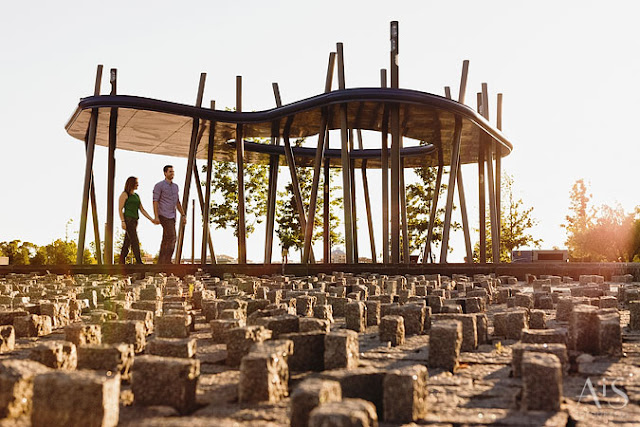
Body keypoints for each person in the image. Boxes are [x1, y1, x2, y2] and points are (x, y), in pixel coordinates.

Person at [119, 176, 157, 264]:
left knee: (127, 241)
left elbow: (142, 209)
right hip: (128, 220)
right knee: (134, 240)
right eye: (136, 183)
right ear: (131, 184)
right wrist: (123, 221)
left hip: (135, 220)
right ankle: (139, 261)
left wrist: (151, 219)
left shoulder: (136, 196)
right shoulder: (124, 194)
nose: (138, 185)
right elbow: (120, 209)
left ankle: (121, 261)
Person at [153, 165, 187, 264]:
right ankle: (167, 260)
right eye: (170, 172)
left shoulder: (175, 187)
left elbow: (177, 202)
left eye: (173, 172)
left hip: (172, 216)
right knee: (172, 236)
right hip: (163, 214)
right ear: (165, 173)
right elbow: (155, 201)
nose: (172, 174)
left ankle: (161, 261)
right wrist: (156, 216)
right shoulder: (159, 186)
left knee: (166, 238)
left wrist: (183, 215)